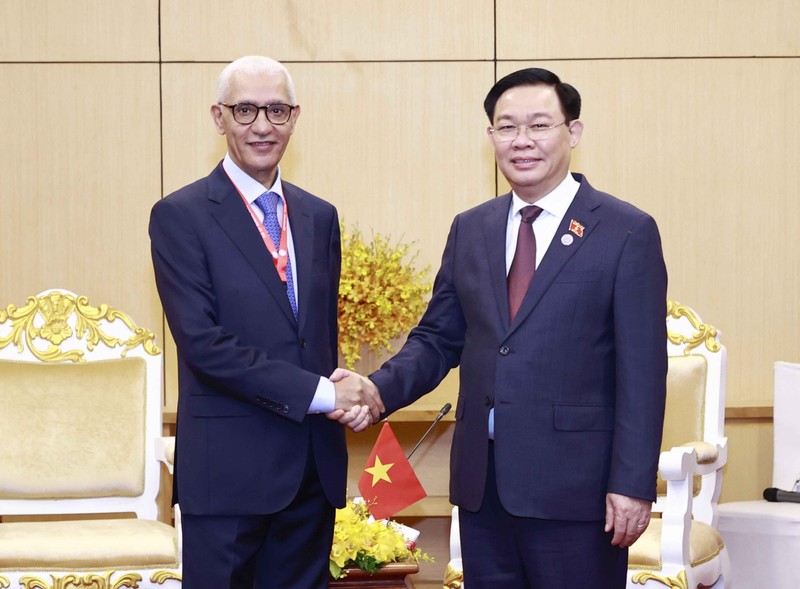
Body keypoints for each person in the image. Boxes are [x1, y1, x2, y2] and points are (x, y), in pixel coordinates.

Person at [357, 68, 668, 588]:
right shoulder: (471, 227)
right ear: (491, 137)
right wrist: (374, 389)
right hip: (485, 488)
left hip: (578, 491)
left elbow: (643, 372)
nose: (522, 141)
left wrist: (632, 484)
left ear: (573, 132)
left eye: (539, 125)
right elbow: (437, 339)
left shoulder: (625, 230)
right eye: (507, 127)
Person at [149, 55, 380, 589]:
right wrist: (324, 394)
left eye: (276, 110)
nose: (261, 125)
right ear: (219, 116)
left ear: (295, 117)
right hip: (228, 475)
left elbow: (315, 336)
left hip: (311, 472)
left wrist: (344, 388)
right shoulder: (180, 216)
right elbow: (205, 345)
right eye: (245, 109)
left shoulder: (319, 216)